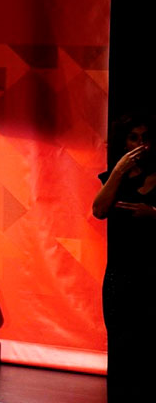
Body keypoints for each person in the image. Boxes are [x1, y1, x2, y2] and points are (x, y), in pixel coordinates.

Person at [91, 112, 154, 399]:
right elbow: (99, 210)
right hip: (121, 275)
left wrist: (153, 213)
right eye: (134, 138)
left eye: (145, 138)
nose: (141, 144)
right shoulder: (114, 176)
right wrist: (118, 171)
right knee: (120, 345)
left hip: (152, 272)